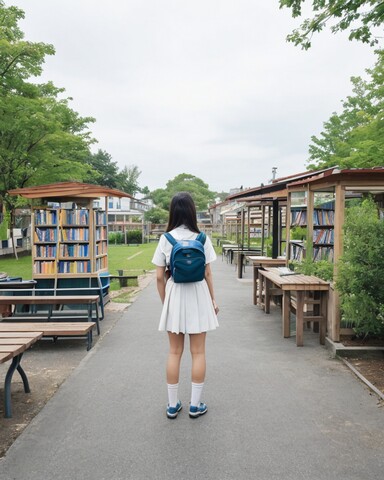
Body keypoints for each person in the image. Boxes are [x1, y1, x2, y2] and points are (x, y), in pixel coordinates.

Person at [152, 192, 219, 419]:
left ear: (172, 211)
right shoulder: (202, 238)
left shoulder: (166, 239)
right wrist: (213, 300)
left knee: (174, 351)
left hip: (175, 295)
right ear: (192, 211)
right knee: (198, 351)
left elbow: (159, 277)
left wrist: (165, 303)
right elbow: (208, 272)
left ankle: (172, 406)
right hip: (199, 295)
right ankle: (195, 405)